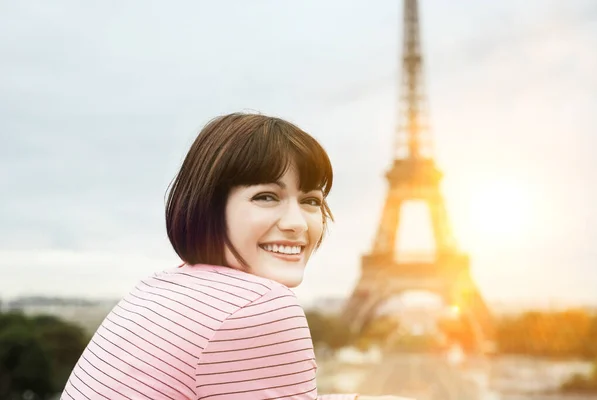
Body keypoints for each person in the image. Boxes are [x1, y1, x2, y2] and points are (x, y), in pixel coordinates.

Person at [61, 112, 408, 399]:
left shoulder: (157, 288)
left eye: (311, 201)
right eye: (266, 197)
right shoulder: (264, 306)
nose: (296, 223)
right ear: (211, 206)